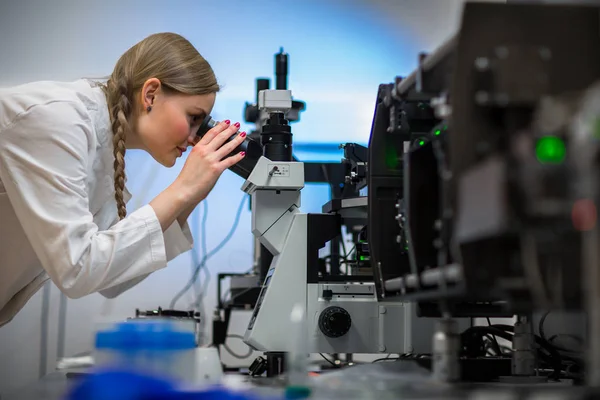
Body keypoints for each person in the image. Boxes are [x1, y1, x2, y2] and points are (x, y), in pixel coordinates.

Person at [0, 32, 246, 327]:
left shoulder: (100, 150)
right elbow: (77, 271)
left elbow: (113, 279)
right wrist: (182, 188)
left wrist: (191, 197)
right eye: (194, 118)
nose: (195, 138)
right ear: (150, 94)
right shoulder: (60, 121)